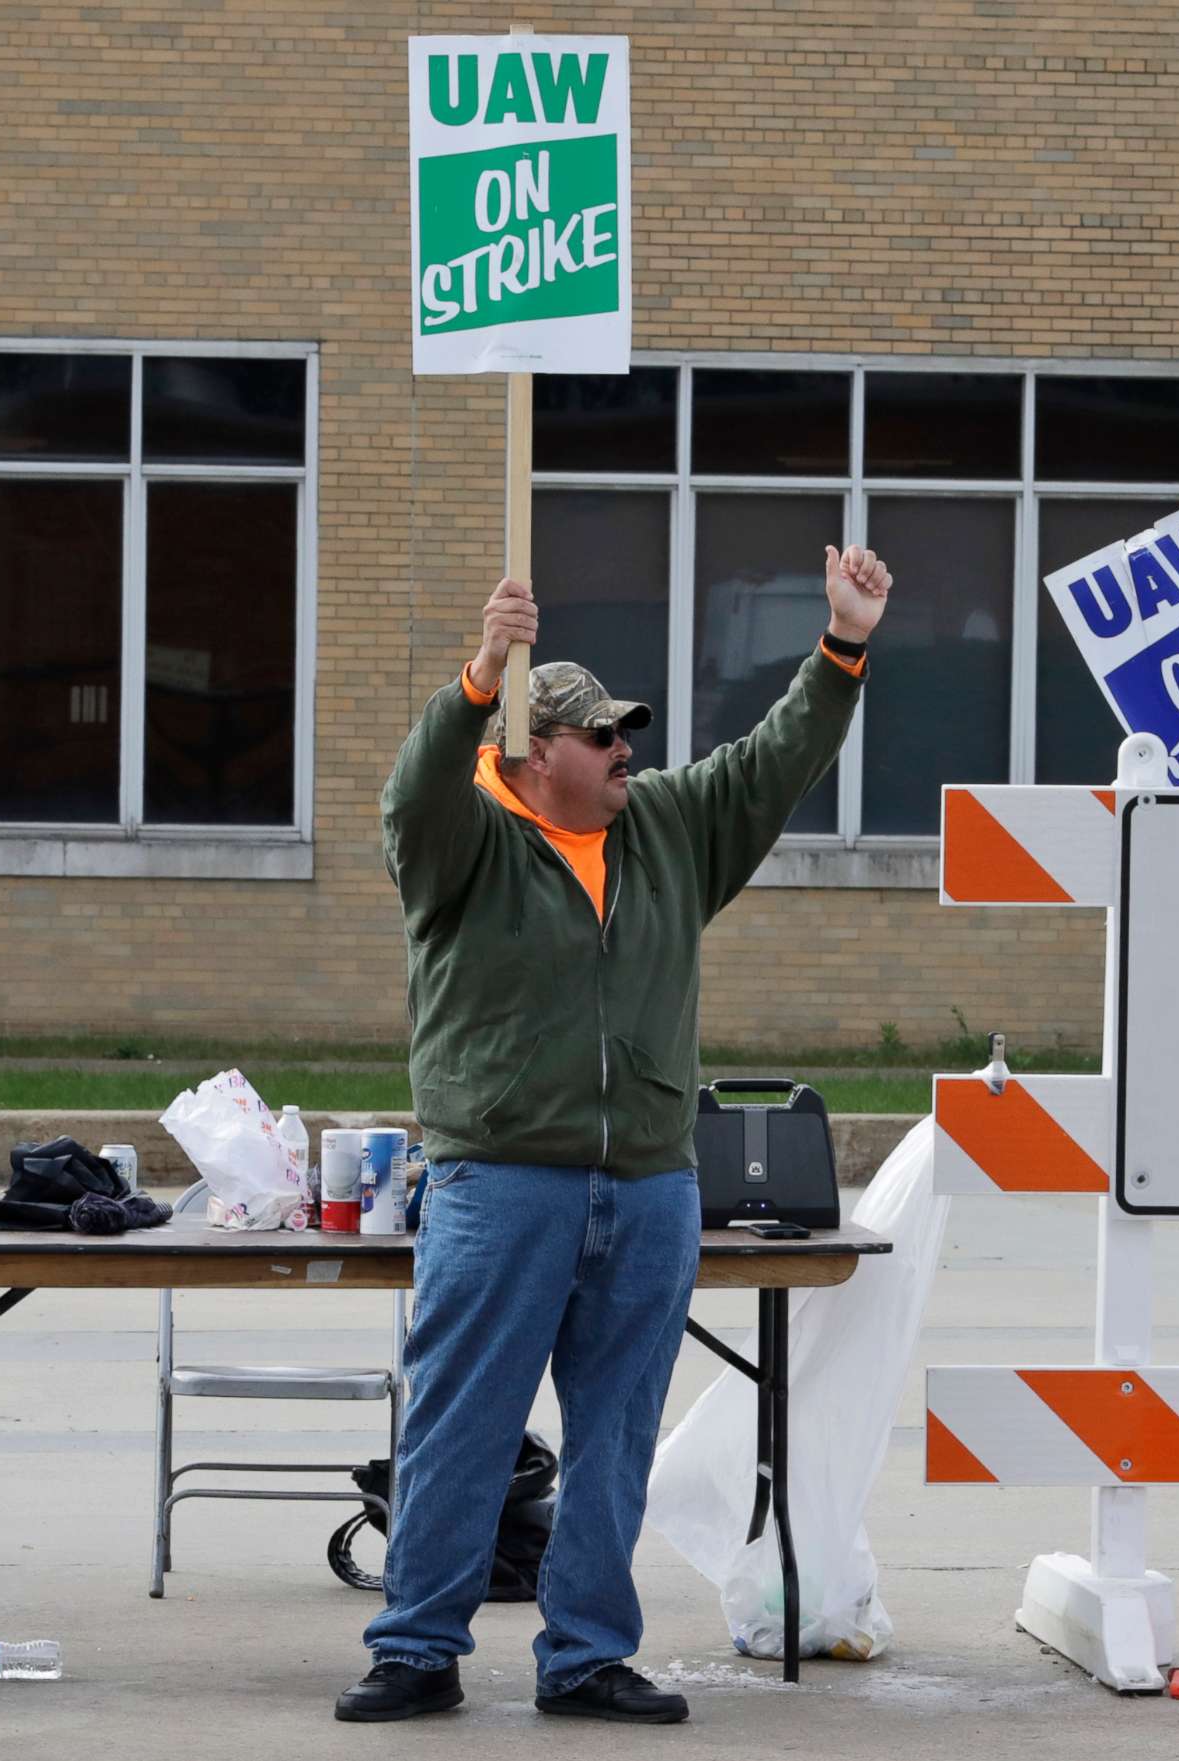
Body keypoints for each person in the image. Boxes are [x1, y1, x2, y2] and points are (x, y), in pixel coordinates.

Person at [338, 545, 893, 1726]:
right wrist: (482, 671)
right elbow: (409, 796)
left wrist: (841, 648)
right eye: (600, 735)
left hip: (646, 1188)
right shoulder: (465, 847)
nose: (625, 749)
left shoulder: (668, 832)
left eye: (624, 732)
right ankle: (416, 1649)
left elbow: (770, 764)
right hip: (498, 1186)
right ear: (535, 755)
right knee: (461, 1427)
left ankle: (587, 1656)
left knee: (616, 1439)